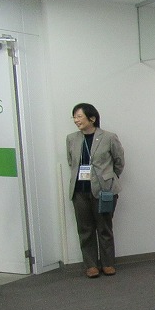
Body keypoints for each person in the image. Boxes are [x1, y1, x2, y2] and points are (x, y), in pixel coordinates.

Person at [66, 103, 125, 278]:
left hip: (104, 190)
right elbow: (71, 162)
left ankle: (108, 263)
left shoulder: (108, 137)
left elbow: (119, 161)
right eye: (74, 117)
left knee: (104, 228)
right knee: (85, 230)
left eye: (79, 116)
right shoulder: (71, 138)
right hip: (79, 191)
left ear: (92, 118)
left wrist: (109, 178)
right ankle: (91, 265)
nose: (76, 120)